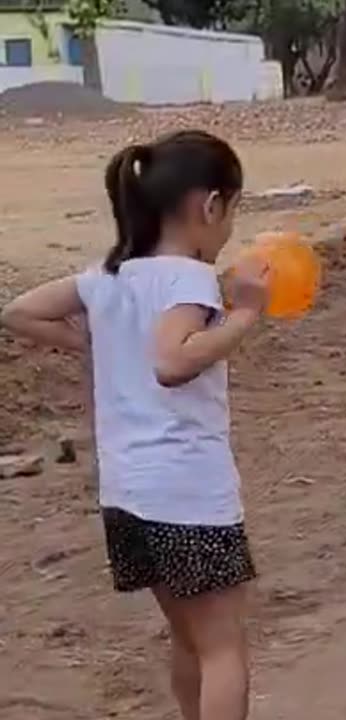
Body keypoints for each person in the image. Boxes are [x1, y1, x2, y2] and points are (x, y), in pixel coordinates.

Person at [0, 130, 266, 720]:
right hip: (187, 493)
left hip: (126, 496)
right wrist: (246, 313)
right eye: (233, 212)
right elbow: (174, 362)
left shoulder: (107, 276)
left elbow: (17, 311)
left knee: (188, 637)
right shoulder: (190, 278)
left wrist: (95, 342)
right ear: (210, 206)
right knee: (222, 647)